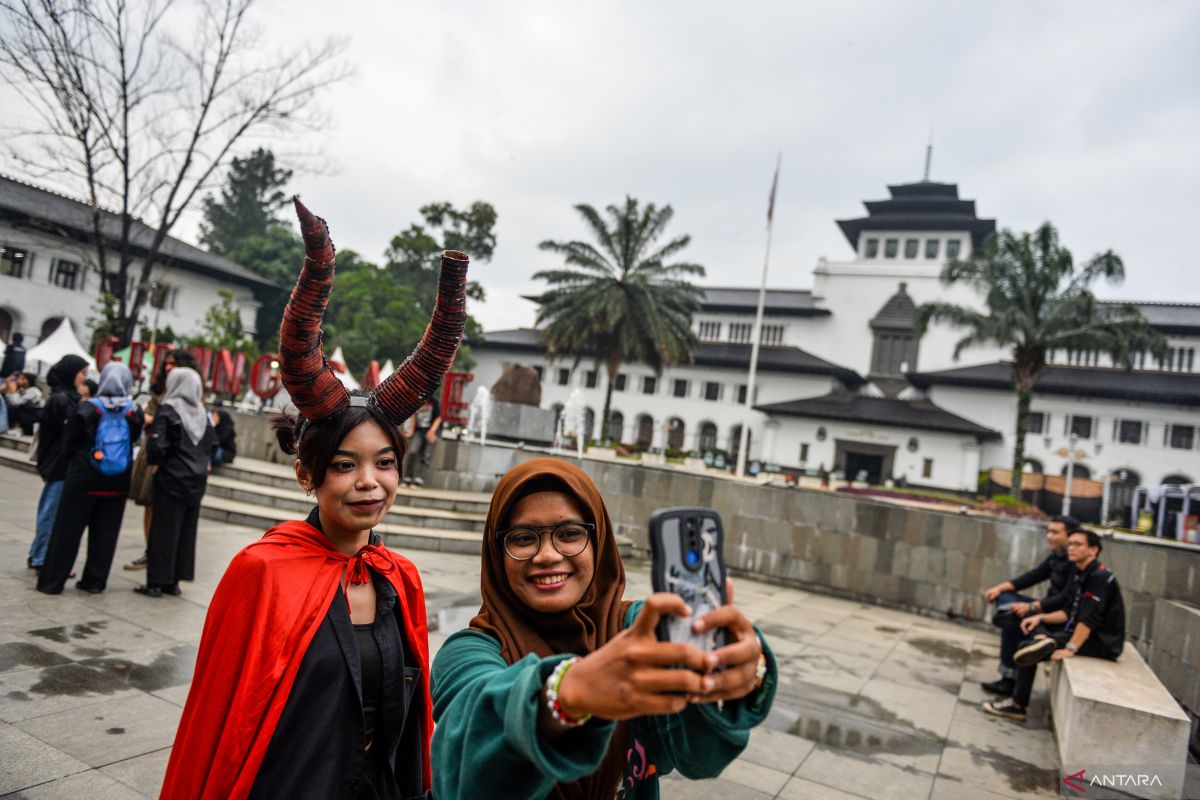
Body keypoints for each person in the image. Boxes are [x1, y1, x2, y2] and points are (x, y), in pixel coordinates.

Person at [160, 198, 470, 799]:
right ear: (308, 474)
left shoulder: (398, 577)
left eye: (385, 464)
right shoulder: (261, 574)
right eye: (345, 465)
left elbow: (410, 733)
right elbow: (220, 728)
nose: (369, 483)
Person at [431, 457, 777, 799]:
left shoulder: (635, 631)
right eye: (523, 538)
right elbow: (465, 763)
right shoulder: (468, 652)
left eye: (569, 534)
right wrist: (568, 694)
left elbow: (701, 757)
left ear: (600, 544)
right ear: (496, 552)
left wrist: (738, 662)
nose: (548, 555)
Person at [982, 529, 1125, 722]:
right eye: (1071, 544)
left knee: (1028, 648)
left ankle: (1017, 706)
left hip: (1101, 643)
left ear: (1093, 550)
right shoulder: (1080, 572)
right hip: (1078, 631)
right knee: (1030, 624)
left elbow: (1088, 619)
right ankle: (1042, 638)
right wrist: (1041, 618)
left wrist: (1070, 649)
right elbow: (1067, 611)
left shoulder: (1099, 577)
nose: (1071, 548)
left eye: (1078, 545)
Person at [36, 362, 142, 594]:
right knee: (106, 533)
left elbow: (69, 444)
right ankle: (94, 581)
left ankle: (52, 581)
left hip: (83, 478)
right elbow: (134, 438)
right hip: (118, 480)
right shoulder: (134, 411)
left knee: (67, 531)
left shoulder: (87, 408)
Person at [135, 367, 215, 598]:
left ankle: (156, 582)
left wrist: (155, 463)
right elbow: (211, 444)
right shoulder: (203, 414)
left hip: (171, 478)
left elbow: (157, 446)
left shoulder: (168, 411)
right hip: (196, 481)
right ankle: (175, 581)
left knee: (163, 530)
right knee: (185, 532)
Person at [979, 514, 1076, 696]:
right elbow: (1035, 575)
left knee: (1013, 619)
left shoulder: (1077, 564)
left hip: (1059, 615)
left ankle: (1011, 684)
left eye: (1055, 532)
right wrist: (1000, 588)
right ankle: (1009, 676)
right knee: (1007, 599)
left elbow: (1066, 599)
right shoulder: (1057, 556)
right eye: (1048, 531)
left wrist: (1033, 608)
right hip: (1045, 608)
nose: (1049, 536)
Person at [125, 348, 200, 571]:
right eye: (166, 363)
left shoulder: (188, 394)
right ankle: (151, 551)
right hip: (154, 450)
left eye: (173, 363)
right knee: (150, 503)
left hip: (173, 456)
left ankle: (160, 556)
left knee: (163, 507)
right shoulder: (159, 392)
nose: (168, 367)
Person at [27, 355, 89, 570]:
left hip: (56, 462)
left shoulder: (65, 397)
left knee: (50, 510)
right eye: (82, 373)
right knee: (50, 512)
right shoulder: (63, 400)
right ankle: (41, 557)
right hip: (58, 463)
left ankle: (38, 553)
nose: (83, 379)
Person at [402, 391, 442, 486]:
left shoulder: (434, 402)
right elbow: (413, 417)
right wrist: (410, 431)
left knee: (426, 455)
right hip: (419, 431)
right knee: (413, 452)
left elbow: (438, 418)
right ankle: (407, 477)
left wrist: (432, 431)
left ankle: (419, 480)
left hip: (430, 430)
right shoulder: (417, 401)